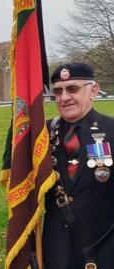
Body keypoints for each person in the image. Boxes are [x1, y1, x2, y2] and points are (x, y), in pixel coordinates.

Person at [44, 62, 114, 268]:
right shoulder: (43, 133)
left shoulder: (111, 130)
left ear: (93, 90)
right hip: (56, 251)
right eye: (58, 91)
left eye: (72, 89)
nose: (64, 98)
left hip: (103, 248)